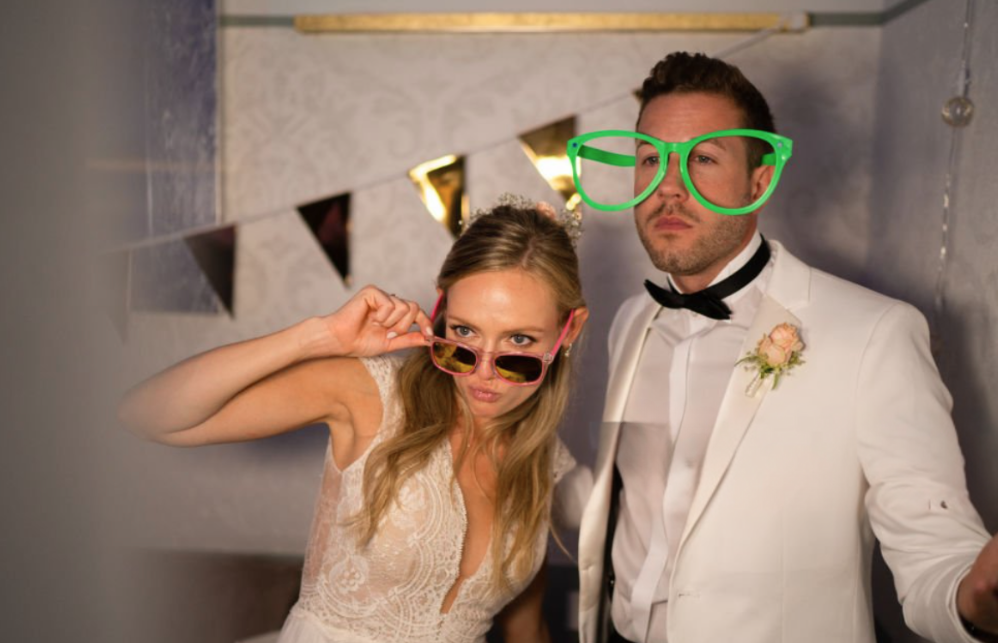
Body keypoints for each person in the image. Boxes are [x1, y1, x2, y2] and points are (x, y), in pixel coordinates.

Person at [570, 52, 998, 643]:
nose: (668, 186)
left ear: (760, 179)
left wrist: (973, 599)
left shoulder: (876, 333)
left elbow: (932, 540)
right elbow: (630, 505)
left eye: (702, 158)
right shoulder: (630, 320)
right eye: (650, 159)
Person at [118, 201, 590, 643]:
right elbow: (149, 415)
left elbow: (525, 629)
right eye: (463, 334)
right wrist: (318, 336)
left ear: (569, 331)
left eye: (520, 343)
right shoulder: (373, 395)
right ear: (441, 309)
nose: (483, 372)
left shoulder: (542, 460)